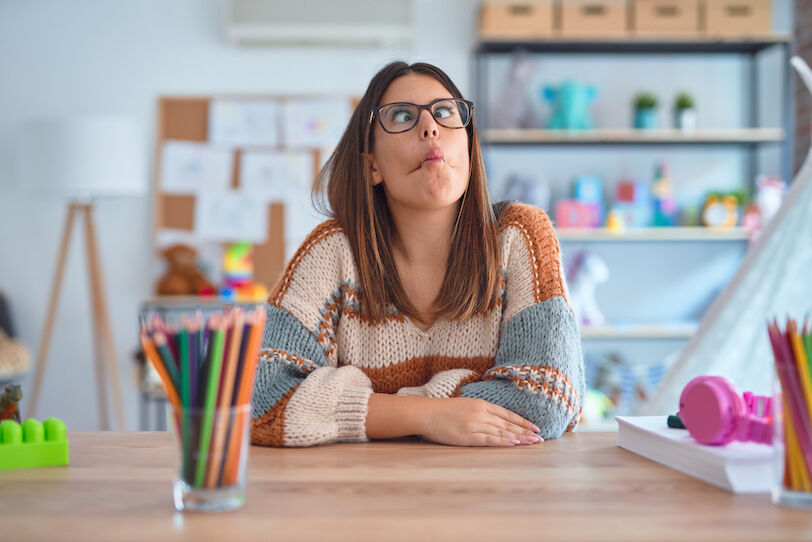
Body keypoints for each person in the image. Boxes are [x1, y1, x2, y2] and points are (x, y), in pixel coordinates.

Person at [251, 61, 583, 448]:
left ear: (469, 145)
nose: (430, 127)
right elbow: (262, 401)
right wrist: (429, 416)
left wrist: (374, 409)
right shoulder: (331, 251)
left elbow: (547, 399)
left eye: (444, 112)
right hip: (361, 500)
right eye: (403, 116)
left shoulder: (519, 234)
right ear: (371, 165)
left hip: (492, 499)